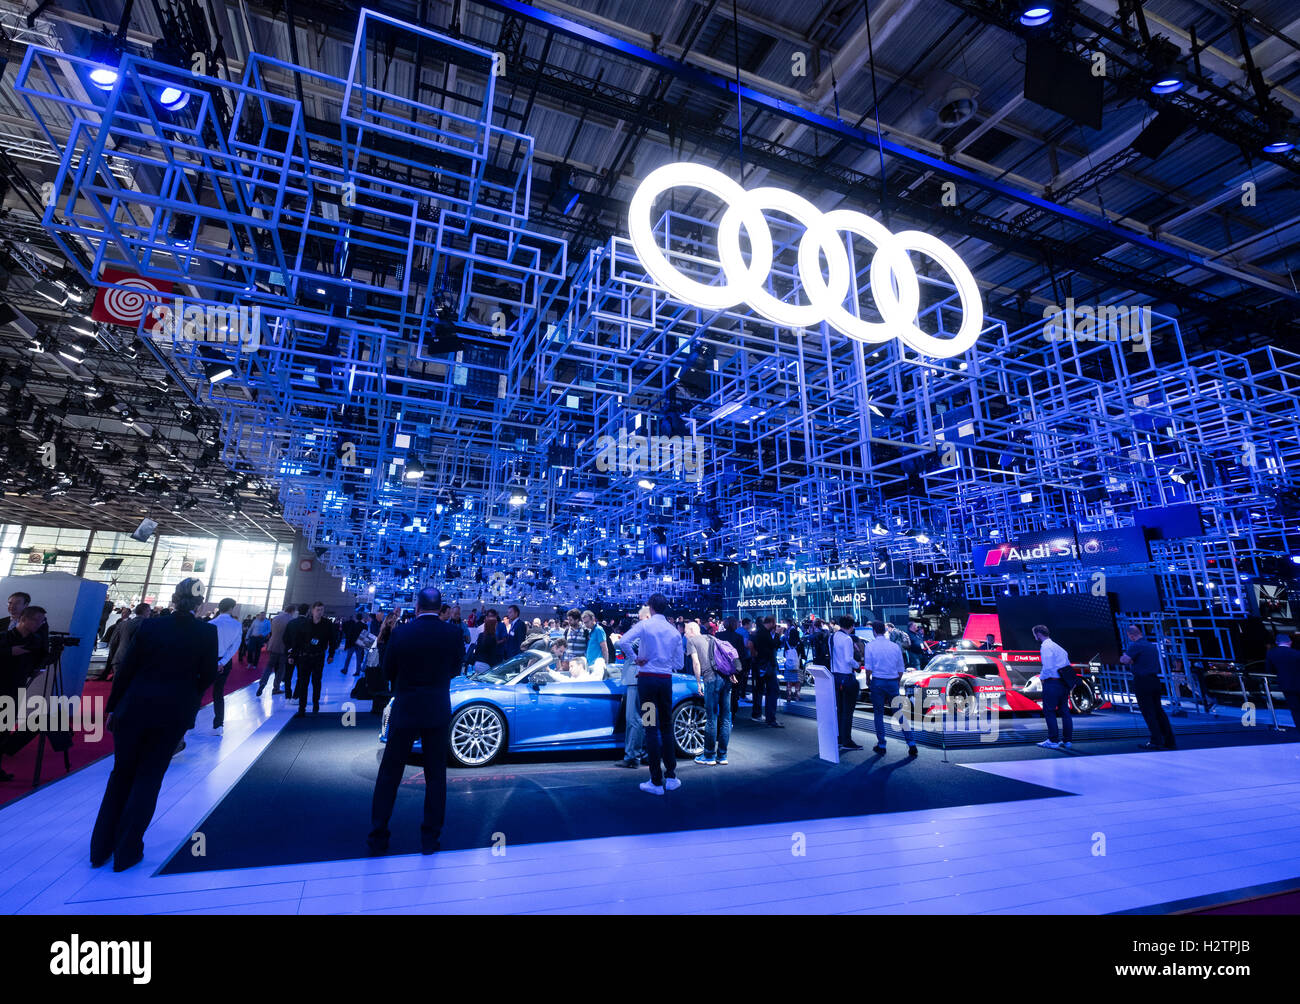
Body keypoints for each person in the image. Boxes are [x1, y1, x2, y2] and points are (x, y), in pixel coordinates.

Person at [90, 578, 217, 871]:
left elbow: (127, 669)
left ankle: (99, 850)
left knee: (120, 776)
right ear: (200, 603)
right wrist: (187, 695)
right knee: (148, 778)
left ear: (174, 598)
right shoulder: (206, 632)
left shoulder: (150, 626)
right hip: (171, 714)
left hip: (132, 708)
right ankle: (127, 851)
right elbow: (208, 675)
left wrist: (113, 707)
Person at [368, 587, 464, 855]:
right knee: (436, 777)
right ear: (440, 607)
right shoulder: (453, 634)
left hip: (406, 709)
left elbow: (388, 671)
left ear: (418, 607)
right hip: (437, 711)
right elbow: (456, 669)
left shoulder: (402, 633)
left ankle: (378, 836)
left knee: (389, 774)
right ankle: (430, 840)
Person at [614, 594, 682, 794]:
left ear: (651, 607)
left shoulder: (644, 626)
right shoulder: (674, 632)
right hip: (664, 682)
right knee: (667, 727)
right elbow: (678, 663)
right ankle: (671, 777)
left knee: (650, 727)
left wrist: (636, 658)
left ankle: (655, 781)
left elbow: (623, 642)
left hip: (646, 682)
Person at [0, 605, 48, 781]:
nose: (38, 624)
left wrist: (36, 669)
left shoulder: (35, 641)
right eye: (35, 620)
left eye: (41, 621)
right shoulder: (5, 637)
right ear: (23, 619)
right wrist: (10, 652)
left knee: (4, 730)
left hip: (16, 688)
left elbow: (40, 658)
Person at [864, 620, 916, 756]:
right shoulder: (895, 647)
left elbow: (868, 668)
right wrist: (896, 682)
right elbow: (900, 669)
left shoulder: (870, 646)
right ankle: (911, 743)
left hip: (878, 682)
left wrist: (868, 680)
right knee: (899, 713)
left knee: (878, 714)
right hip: (892, 682)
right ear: (885, 631)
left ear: (874, 631)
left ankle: (881, 744)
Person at [1120, 625, 1175, 750]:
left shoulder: (1135, 646)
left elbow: (1124, 660)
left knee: (1148, 712)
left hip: (1142, 682)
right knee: (1159, 712)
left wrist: (1124, 656)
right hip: (1155, 680)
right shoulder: (1151, 646)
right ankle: (1169, 741)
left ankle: (1156, 741)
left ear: (1131, 635)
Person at [688, 621, 734, 766]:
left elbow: (696, 663)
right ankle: (723, 755)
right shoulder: (712, 638)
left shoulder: (692, 641)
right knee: (726, 718)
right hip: (726, 678)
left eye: (685, 631)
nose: (684, 634)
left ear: (691, 630)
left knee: (711, 718)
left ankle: (709, 755)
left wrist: (697, 682)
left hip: (711, 680)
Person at [614, 605, 651, 768]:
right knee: (649, 718)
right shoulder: (661, 631)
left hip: (636, 679)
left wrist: (634, 657)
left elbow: (623, 643)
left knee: (634, 718)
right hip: (653, 678)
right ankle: (649, 753)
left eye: (640, 618)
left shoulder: (642, 629)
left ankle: (632, 757)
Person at [289, 602, 337, 716]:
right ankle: (302, 708)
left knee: (316, 682)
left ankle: (316, 704)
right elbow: (297, 640)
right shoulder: (304, 623)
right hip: (304, 657)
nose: (320, 612)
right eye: (318, 610)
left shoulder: (327, 624)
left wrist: (331, 655)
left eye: (322, 610)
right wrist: (292, 655)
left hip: (319, 657)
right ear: (312, 610)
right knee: (303, 683)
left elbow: (332, 640)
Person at [1033, 624, 1074, 750]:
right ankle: (1067, 741)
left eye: (1034, 634)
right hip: (1063, 683)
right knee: (1065, 711)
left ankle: (1053, 740)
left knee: (1049, 711)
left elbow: (1048, 667)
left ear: (1038, 634)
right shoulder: (1058, 647)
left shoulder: (1046, 647)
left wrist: (1042, 678)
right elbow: (1066, 665)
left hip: (1052, 683)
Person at [831, 615, 863, 752]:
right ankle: (847, 740)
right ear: (851, 626)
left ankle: (839, 738)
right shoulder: (847, 639)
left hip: (835, 677)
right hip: (847, 677)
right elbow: (849, 659)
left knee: (840, 710)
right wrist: (859, 664)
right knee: (848, 712)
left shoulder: (832, 637)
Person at [209, 598, 242, 730]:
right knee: (218, 692)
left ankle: (191, 723)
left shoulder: (211, 623)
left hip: (209, 660)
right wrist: (222, 662)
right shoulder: (236, 625)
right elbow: (235, 646)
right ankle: (218, 725)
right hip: (225, 662)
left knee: (199, 691)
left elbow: (207, 646)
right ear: (231, 608)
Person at [749, 616, 782, 727]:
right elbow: (774, 645)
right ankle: (770, 718)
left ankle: (758, 714)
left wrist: (755, 655)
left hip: (759, 665)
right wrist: (777, 634)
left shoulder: (758, 632)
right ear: (772, 622)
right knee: (773, 690)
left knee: (760, 689)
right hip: (767, 665)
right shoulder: (764, 633)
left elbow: (750, 645)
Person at [259, 603, 296, 698]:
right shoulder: (292, 620)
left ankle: (262, 682)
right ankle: (276, 688)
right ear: (292, 611)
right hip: (284, 647)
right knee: (281, 668)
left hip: (273, 645)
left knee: (269, 666)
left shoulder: (275, 618)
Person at [106, 603, 150, 680]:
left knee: (117, 687)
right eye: (149, 611)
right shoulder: (149, 625)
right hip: (137, 662)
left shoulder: (123, 624)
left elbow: (113, 643)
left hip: (119, 659)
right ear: (146, 611)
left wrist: (113, 658)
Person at [1267, 633, 1300, 731]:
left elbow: (1269, 670)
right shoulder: (1296, 653)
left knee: (1295, 709)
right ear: (1290, 642)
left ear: (1277, 642)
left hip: (1286, 684)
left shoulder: (1271, 653)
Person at [582, 609, 609, 674]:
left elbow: (604, 648)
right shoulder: (590, 631)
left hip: (597, 666)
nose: (585, 624)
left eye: (587, 622)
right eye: (584, 622)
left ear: (593, 619)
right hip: (590, 665)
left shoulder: (598, 629)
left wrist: (605, 664)